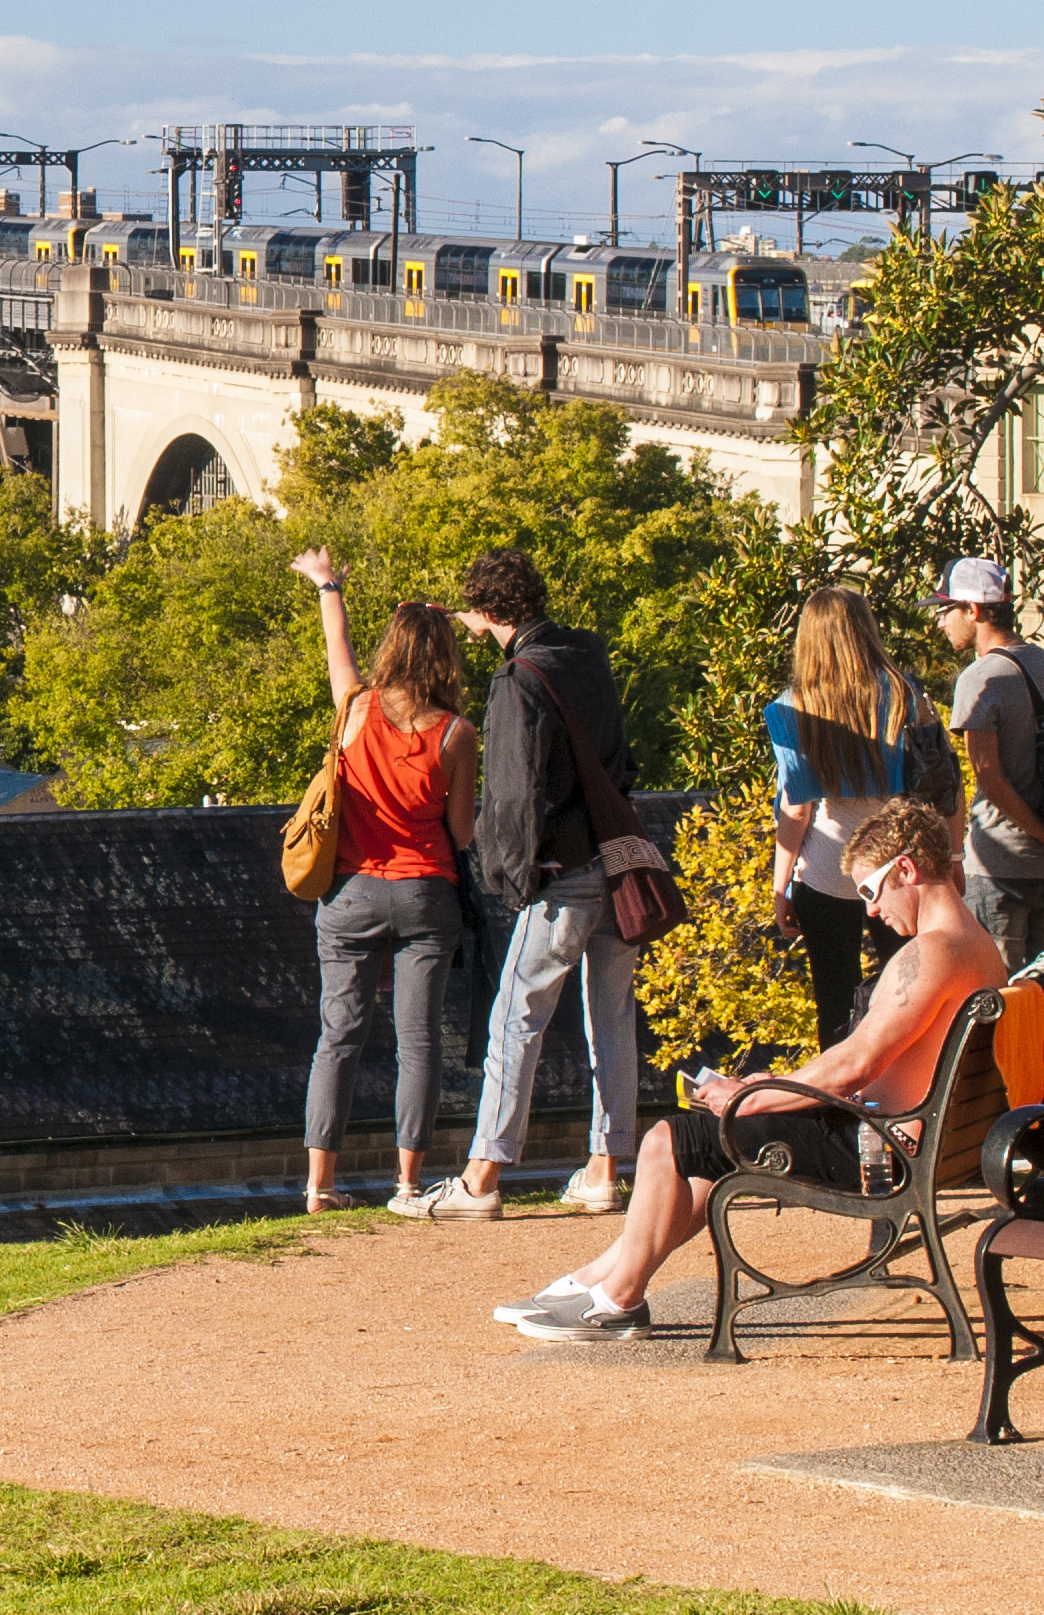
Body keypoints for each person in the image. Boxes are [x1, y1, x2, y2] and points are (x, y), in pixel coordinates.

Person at [507, 795, 1007, 1340]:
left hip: (880, 1150)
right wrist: (765, 1087)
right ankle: (599, 1278)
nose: (869, 910)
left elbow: (854, 1066)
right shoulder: (979, 946)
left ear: (906, 870)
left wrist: (752, 1098)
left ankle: (618, 1300)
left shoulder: (929, 953)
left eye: (870, 890)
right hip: (918, 1138)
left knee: (667, 1139)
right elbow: (860, 1063)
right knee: (702, 1154)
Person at [425, 545, 635, 1220]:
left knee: (516, 1015)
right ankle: (604, 1167)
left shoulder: (517, 680)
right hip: (615, 857)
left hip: (560, 868)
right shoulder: (588, 657)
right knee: (612, 1018)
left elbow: (513, 794)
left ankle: (481, 1175)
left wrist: (510, 876)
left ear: (489, 612)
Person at [289, 550, 480, 1218]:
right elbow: (461, 833)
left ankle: (318, 1184)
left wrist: (327, 585)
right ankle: (407, 1183)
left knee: (337, 1036)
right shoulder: (457, 732)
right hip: (425, 891)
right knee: (418, 1038)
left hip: (350, 892)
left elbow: (333, 648)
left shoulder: (355, 708)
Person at [765, 586, 924, 1050]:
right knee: (909, 996)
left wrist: (781, 886)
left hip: (827, 871)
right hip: (897, 867)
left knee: (834, 1003)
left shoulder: (791, 706)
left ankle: (837, 1111)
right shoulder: (903, 694)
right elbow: (937, 784)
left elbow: (798, 809)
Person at [931, 558, 1044, 970]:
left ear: (973, 610)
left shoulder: (980, 678)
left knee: (999, 997)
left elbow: (988, 777)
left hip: (999, 868)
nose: (940, 623)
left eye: (945, 610)